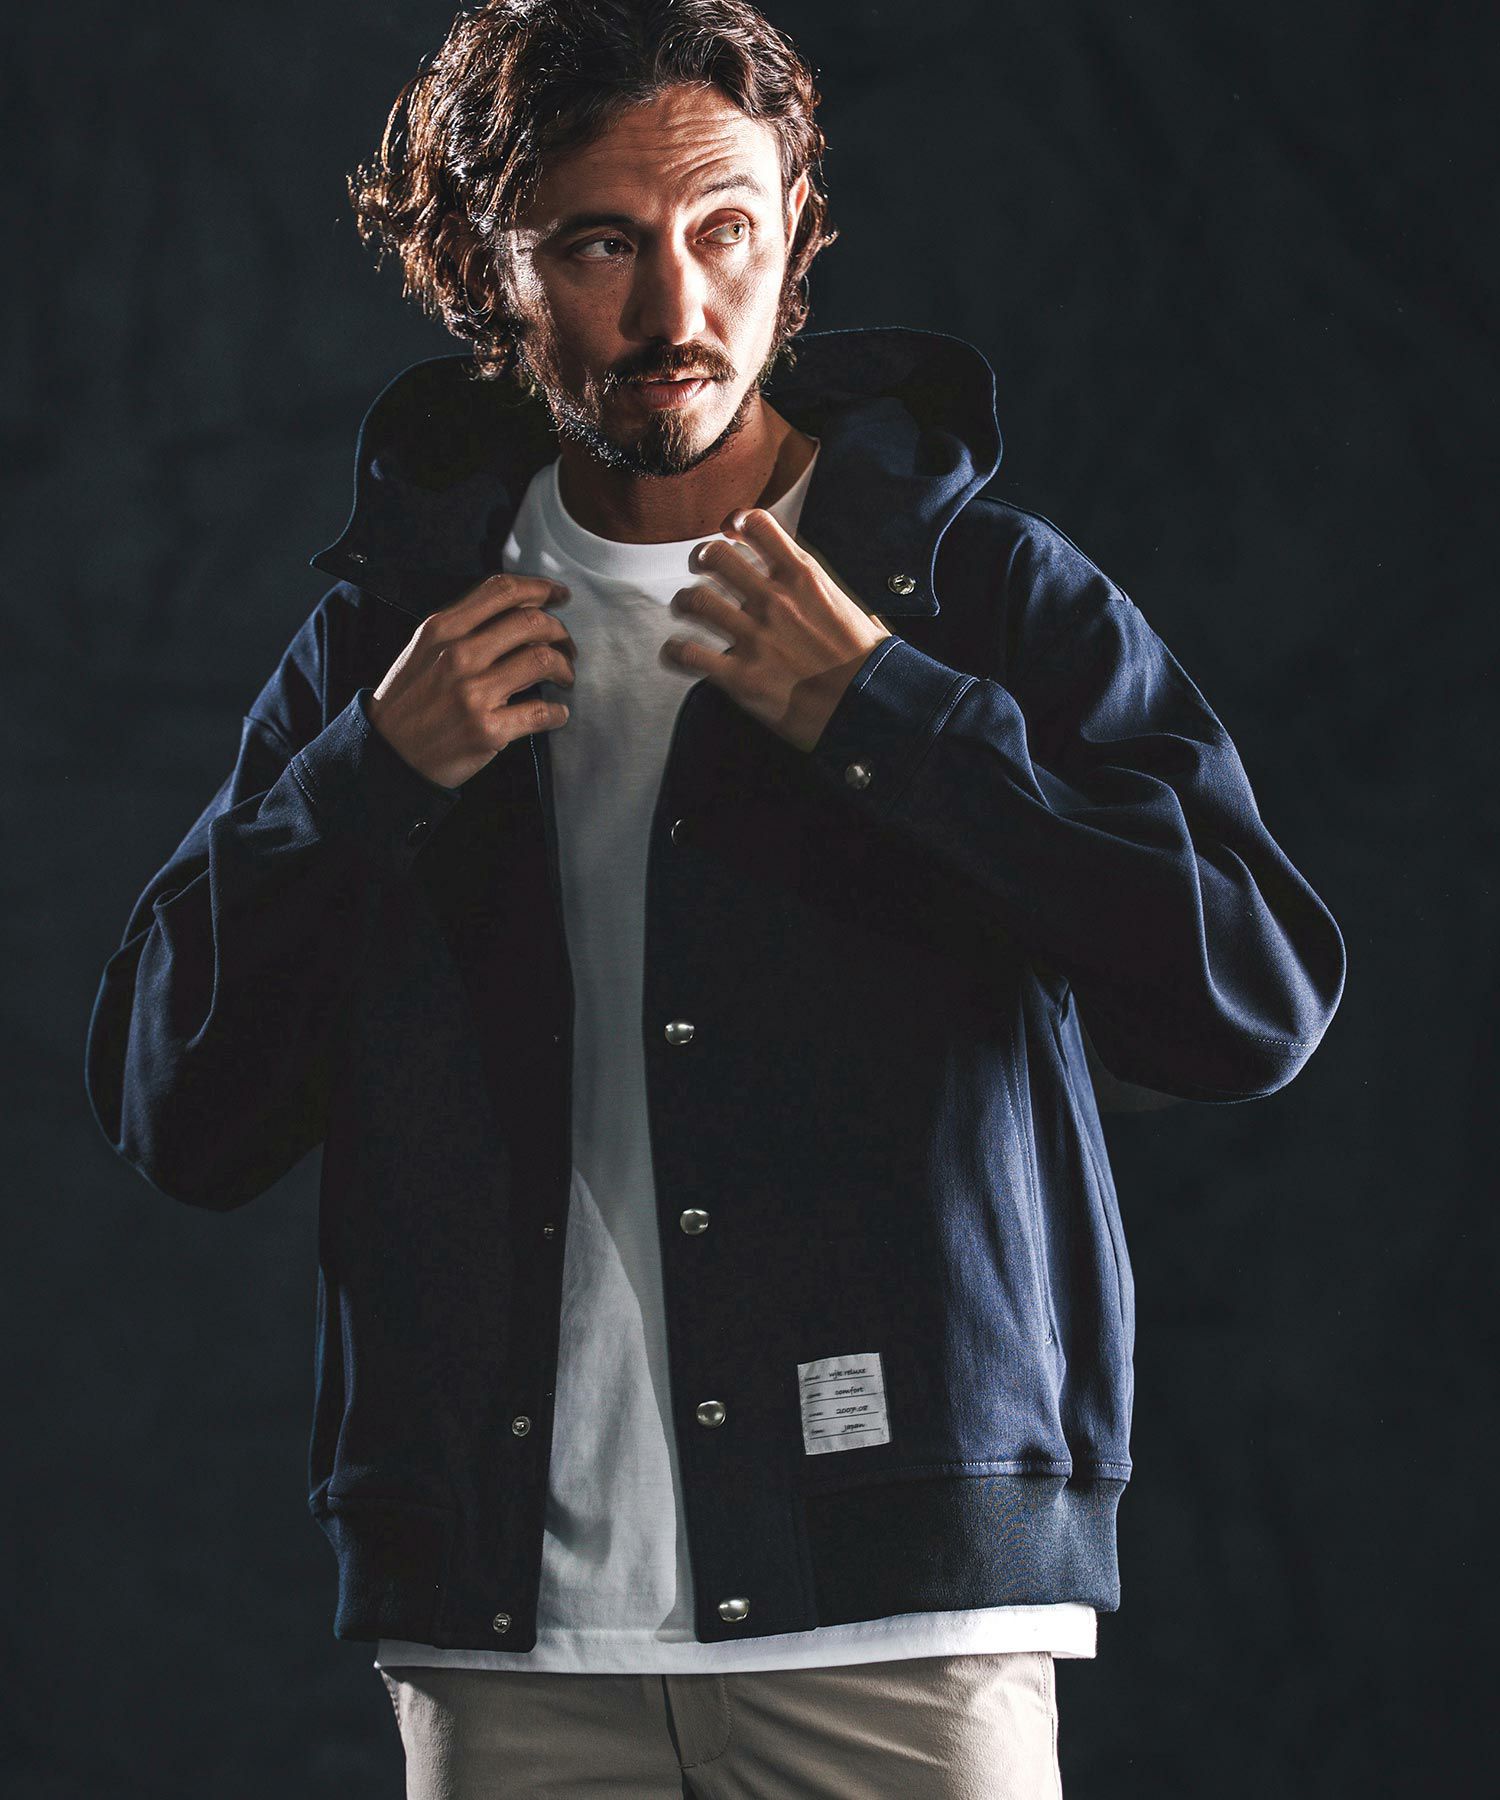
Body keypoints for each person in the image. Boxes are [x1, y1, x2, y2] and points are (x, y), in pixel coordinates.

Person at [83, 1, 1347, 1793]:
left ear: (798, 230)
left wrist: (898, 722)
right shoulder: (392, 635)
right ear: (485, 269)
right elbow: (177, 1110)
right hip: (507, 1636)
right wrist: (366, 782)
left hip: (906, 1613)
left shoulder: (971, 594)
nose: (678, 308)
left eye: (726, 229)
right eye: (600, 244)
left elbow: (1252, 999)